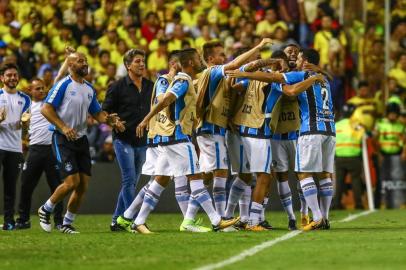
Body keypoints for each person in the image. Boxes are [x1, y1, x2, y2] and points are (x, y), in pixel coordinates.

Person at [133, 48, 239, 234]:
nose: (201, 61)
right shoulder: (183, 80)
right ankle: (216, 220)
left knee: (159, 181)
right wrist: (146, 118)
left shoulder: (181, 80)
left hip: (169, 139)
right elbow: (166, 99)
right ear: (190, 62)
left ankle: (138, 221)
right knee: (196, 177)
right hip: (178, 138)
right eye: (198, 58)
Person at [116, 51, 207, 232]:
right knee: (163, 180)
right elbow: (163, 101)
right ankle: (189, 221)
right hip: (164, 136)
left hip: (164, 136)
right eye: (138, 61)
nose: (142, 64)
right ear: (174, 64)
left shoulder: (175, 81)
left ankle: (127, 217)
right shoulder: (165, 81)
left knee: (159, 180)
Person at [38, 52, 125, 234]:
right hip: (62, 138)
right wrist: (62, 127)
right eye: (80, 61)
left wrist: (110, 121)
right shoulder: (63, 85)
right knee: (71, 182)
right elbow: (45, 108)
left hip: (81, 139)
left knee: (83, 185)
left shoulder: (89, 89)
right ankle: (45, 209)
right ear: (70, 65)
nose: (85, 63)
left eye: (85, 60)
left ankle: (67, 223)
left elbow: (97, 113)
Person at [193, 39, 272, 224]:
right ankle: (222, 218)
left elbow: (232, 91)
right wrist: (259, 47)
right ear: (211, 59)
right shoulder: (215, 72)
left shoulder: (220, 77)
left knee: (206, 176)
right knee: (221, 173)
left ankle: (192, 217)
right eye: (221, 55)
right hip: (213, 130)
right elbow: (236, 65)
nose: (225, 57)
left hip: (216, 129)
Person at [102, 49, 154, 231]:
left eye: (143, 61)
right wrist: (114, 121)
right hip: (123, 140)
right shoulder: (116, 87)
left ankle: (117, 220)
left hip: (143, 141)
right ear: (127, 65)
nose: (142, 64)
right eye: (138, 61)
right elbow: (104, 111)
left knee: (131, 183)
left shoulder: (150, 86)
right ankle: (134, 220)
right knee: (129, 180)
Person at [16, 78, 64, 230]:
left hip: (51, 149)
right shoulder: (27, 108)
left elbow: (58, 78)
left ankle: (58, 221)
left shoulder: (50, 104)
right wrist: (24, 125)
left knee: (57, 187)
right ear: (30, 90)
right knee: (25, 186)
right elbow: (24, 134)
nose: (42, 91)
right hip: (35, 150)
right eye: (38, 88)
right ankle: (23, 220)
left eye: (43, 88)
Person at [0, 63, 31, 230]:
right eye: (9, 75)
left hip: (15, 149)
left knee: (10, 188)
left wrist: (25, 124)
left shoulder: (25, 99)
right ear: (2, 78)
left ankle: (9, 221)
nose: (12, 78)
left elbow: (25, 128)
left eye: (14, 75)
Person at [373, 103, 406, 208]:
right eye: (391, 114)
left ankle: (401, 202)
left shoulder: (401, 126)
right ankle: (381, 202)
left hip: (397, 155)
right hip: (383, 155)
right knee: (381, 180)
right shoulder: (380, 124)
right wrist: (378, 154)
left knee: (400, 179)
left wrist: (404, 152)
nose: (393, 116)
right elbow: (375, 140)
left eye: (395, 114)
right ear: (387, 113)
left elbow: (404, 141)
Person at [334, 103, 365, 209]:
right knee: (355, 180)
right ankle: (359, 204)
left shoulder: (336, 125)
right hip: (353, 156)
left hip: (339, 156)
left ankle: (337, 203)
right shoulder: (356, 125)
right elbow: (363, 135)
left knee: (339, 181)